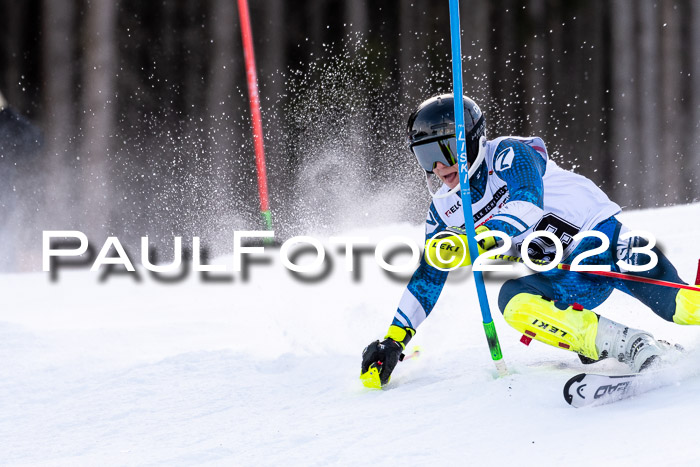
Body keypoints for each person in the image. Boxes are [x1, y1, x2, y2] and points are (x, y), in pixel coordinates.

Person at [360, 93, 700, 388]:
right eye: (425, 156)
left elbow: (526, 201)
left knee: (685, 309)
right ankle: (627, 345)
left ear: (471, 140)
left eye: (445, 151)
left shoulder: (508, 154)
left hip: (609, 245)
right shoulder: (445, 210)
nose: (437, 167)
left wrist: (480, 241)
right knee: (514, 301)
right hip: (567, 278)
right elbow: (429, 276)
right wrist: (394, 340)